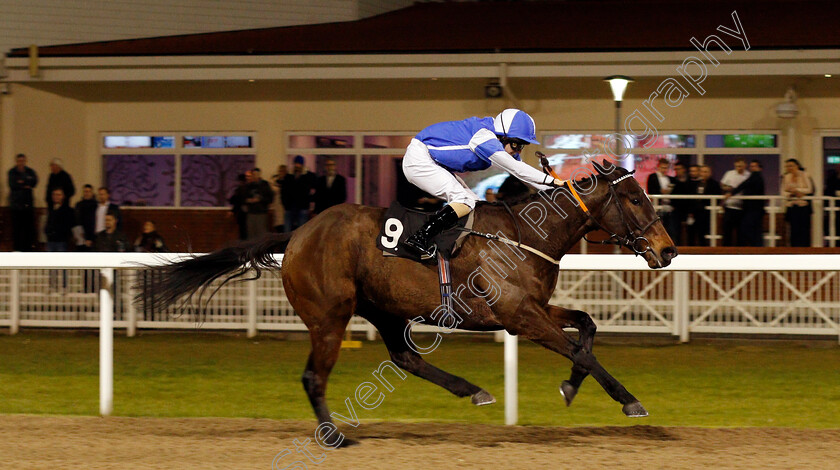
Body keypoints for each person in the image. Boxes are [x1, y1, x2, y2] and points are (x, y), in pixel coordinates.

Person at [401, 109, 560, 257]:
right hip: (420, 159)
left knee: (477, 204)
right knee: (464, 200)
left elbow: (522, 173)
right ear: (502, 136)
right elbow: (516, 168)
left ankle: (446, 242)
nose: (518, 151)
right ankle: (419, 238)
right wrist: (555, 183)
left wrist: (553, 189)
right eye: (516, 144)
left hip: (434, 161)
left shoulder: (496, 138)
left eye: (522, 146)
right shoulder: (483, 136)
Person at [726, 160, 765, 247]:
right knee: (755, 230)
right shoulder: (755, 176)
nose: (752, 168)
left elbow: (744, 185)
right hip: (754, 209)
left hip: (754, 209)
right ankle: (757, 248)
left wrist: (731, 193)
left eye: (754, 166)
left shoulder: (756, 176)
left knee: (747, 228)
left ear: (760, 168)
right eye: (751, 166)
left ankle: (756, 247)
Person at [8, 153, 38, 251]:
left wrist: (22, 182)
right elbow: (13, 184)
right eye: (19, 161)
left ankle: (28, 250)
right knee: (17, 231)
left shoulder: (30, 171)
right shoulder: (12, 172)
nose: (21, 163)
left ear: (25, 161)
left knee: (28, 231)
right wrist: (25, 184)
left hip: (28, 206)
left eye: (23, 161)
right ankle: (17, 251)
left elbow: (34, 182)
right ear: (16, 162)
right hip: (16, 207)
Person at [782, 158, 814, 247]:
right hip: (792, 206)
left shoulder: (805, 175)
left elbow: (810, 189)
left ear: (797, 166)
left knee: (804, 230)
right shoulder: (786, 177)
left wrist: (798, 190)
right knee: (793, 230)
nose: (789, 168)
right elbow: (783, 191)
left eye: (791, 166)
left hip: (803, 206)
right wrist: (790, 193)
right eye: (787, 166)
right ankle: (793, 249)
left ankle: (805, 250)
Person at [719, 159, 751, 246]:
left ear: (745, 165)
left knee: (741, 232)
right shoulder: (729, 173)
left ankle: (740, 252)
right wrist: (728, 188)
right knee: (727, 231)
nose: (738, 168)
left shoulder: (748, 175)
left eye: (740, 166)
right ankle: (726, 252)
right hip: (729, 206)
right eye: (737, 166)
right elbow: (722, 185)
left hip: (742, 208)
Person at [645, 158, 677, 241]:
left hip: (669, 206)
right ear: (658, 167)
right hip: (658, 206)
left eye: (666, 168)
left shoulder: (670, 179)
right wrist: (661, 192)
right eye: (663, 167)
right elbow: (651, 190)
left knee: (670, 228)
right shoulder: (652, 177)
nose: (664, 170)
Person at [282, 156, 316, 232]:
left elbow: (313, 188)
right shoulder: (288, 177)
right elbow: (284, 191)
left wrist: (308, 200)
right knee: (287, 230)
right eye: (296, 164)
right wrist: (286, 205)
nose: (297, 166)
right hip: (290, 207)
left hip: (302, 207)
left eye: (299, 164)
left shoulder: (308, 176)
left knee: (301, 230)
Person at [693, 165, 722, 246]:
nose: (703, 174)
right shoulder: (696, 184)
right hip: (697, 212)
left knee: (708, 231)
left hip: (708, 213)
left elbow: (718, 198)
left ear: (710, 173)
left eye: (706, 172)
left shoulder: (714, 184)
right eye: (702, 171)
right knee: (697, 232)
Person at [671, 162, 697, 245]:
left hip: (688, 210)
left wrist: (691, 212)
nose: (677, 171)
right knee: (676, 231)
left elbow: (693, 197)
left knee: (690, 231)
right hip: (677, 210)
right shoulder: (673, 181)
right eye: (676, 169)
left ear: (684, 170)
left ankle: (691, 249)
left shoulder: (690, 181)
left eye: (679, 169)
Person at [245, 167, 274, 239]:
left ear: (259, 175)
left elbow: (270, 198)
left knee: (261, 233)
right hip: (251, 212)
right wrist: (249, 200)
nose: (254, 176)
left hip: (261, 212)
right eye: (253, 174)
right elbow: (244, 198)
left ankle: (262, 249)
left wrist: (260, 199)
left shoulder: (265, 184)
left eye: (255, 174)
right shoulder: (249, 186)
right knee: (251, 233)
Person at [45, 188, 76, 252]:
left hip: (61, 241)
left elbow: (70, 225)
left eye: (58, 195)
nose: (56, 197)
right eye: (54, 195)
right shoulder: (51, 209)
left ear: (63, 196)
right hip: (50, 240)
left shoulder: (68, 210)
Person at [75, 184, 98, 250]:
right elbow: (76, 221)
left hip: (92, 237)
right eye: (85, 191)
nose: (87, 193)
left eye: (89, 191)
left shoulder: (96, 205)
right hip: (80, 236)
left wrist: (90, 238)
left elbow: (94, 222)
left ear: (92, 193)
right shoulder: (78, 205)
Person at [229, 173, 249, 240]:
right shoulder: (248, 188)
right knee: (246, 232)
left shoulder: (239, 189)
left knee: (242, 232)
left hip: (241, 213)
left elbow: (235, 201)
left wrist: (233, 211)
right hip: (247, 213)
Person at [270, 165, 287, 232]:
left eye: (282, 171)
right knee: (278, 227)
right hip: (277, 207)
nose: (281, 173)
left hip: (285, 208)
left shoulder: (287, 181)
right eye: (280, 171)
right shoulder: (275, 181)